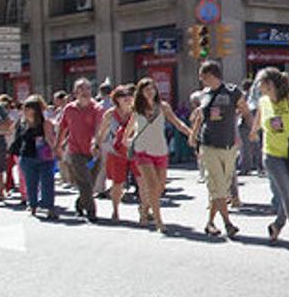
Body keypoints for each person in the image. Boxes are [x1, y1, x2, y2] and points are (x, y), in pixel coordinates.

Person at [249, 67, 289, 251]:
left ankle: (277, 225)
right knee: (288, 197)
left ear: (270, 84)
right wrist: (253, 132)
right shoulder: (263, 102)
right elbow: (258, 118)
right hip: (272, 156)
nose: (259, 88)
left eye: (261, 84)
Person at [188, 61, 250, 238]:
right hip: (208, 144)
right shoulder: (204, 95)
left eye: (203, 76)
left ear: (211, 75)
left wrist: (251, 130)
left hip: (228, 144)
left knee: (220, 187)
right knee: (219, 186)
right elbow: (201, 117)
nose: (201, 80)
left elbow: (244, 110)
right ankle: (228, 223)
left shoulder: (232, 91)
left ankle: (209, 223)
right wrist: (193, 134)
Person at [127, 78, 193, 233]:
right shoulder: (137, 108)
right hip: (142, 150)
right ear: (141, 93)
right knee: (152, 185)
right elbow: (130, 127)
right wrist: (125, 141)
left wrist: (191, 133)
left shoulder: (163, 107)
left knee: (160, 186)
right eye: (146, 90)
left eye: (152, 89)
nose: (150, 92)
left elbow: (177, 123)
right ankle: (158, 221)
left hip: (160, 150)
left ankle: (144, 208)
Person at [55, 79, 105, 221]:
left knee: (91, 184)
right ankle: (91, 211)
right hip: (76, 151)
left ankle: (80, 203)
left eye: (88, 89)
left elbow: (98, 128)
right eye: (81, 89)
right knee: (84, 182)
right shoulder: (69, 109)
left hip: (94, 151)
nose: (85, 92)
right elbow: (62, 128)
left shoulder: (97, 108)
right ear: (75, 92)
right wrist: (57, 145)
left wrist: (95, 143)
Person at [10, 95, 59, 220]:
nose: (25, 111)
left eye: (28, 108)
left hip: (44, 156)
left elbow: (50, 138)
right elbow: (16, 136)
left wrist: (56, 151)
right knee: (30, 182)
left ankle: (49, 207)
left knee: (47, 182)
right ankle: (32, 206)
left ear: (35, 110)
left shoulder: (45, 122)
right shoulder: (22, 123)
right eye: (24, 109)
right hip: (26, 156)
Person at [93, 85, 136, 222]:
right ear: (116, 99)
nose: (128, 98)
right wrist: (97, 145)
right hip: (116, 151)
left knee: (143, 182)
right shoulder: (110, 114)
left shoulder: (137, 112)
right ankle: (115, 211)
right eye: (124, 96)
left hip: (136, 151)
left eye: (130, 95)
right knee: (118, 183)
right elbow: (102, 132)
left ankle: (145, 210)